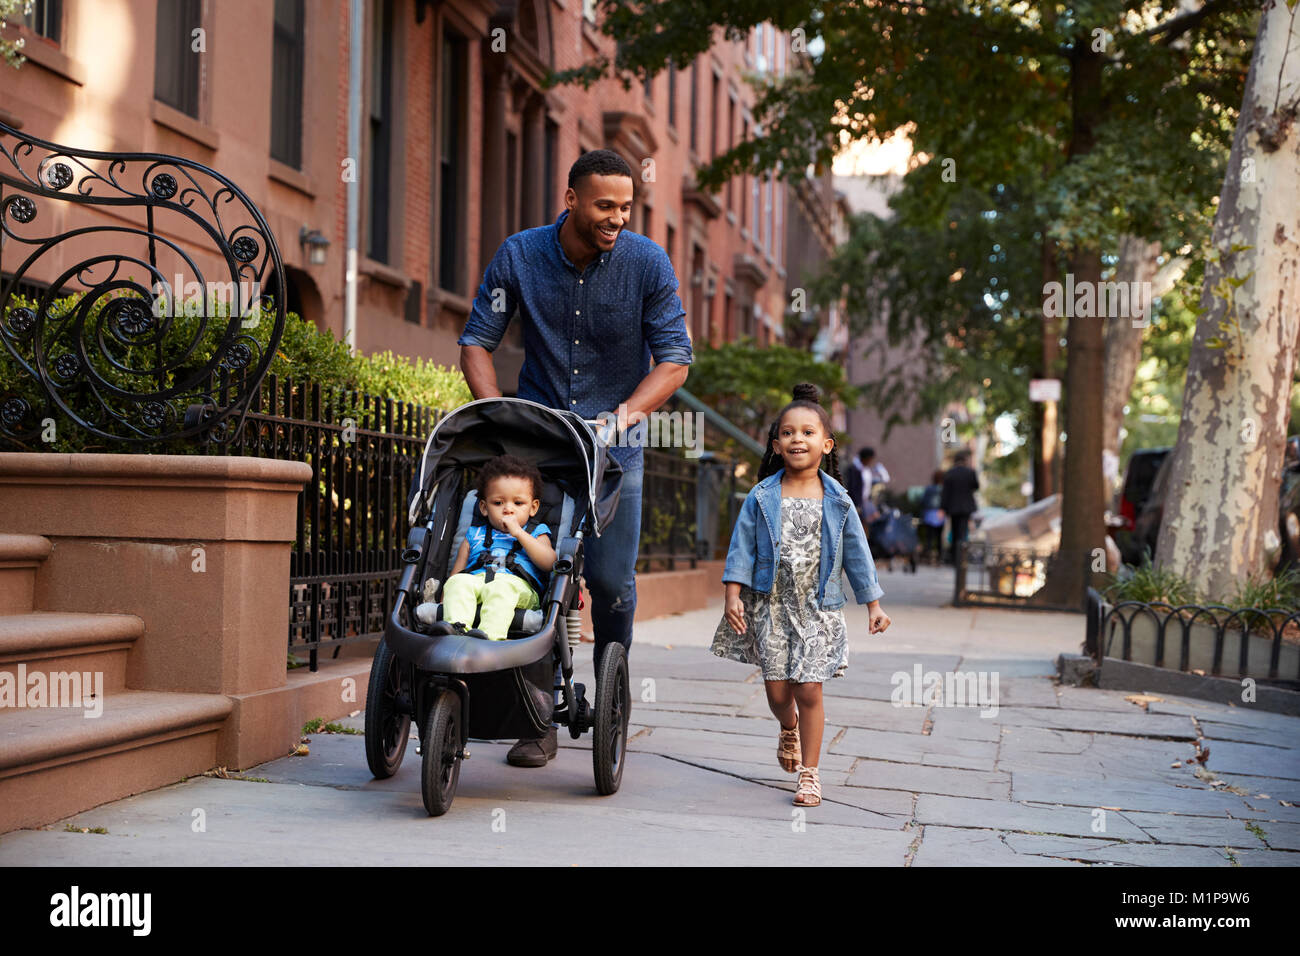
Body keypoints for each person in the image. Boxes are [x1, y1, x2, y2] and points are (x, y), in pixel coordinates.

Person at [457, 149, 692, 766]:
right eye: (604, 205)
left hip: (616, 454)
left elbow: (674, 360)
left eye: (625, 207)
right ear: (571, 200)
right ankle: (538, 721)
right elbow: (477, 343)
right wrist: (496, 415)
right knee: (535, 574)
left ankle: (611, 692)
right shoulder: (520, 256)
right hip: (539, 447)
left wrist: (620, 419)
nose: (617, 217)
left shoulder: (647, 264)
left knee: (611, 584)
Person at [710, 383, 891, 808]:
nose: (798, 440)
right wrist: (732, 595)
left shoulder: (839, 501)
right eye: (788, 433)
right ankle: (786, 727)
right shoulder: (761, 496)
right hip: (770, 607)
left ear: (826, 445)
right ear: (776, 445)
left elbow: (858, 555)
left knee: (809, 690)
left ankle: (810, 774)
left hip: (818, 609)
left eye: (808, 432)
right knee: (778, 693)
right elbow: (742, 546)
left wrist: (874, 604)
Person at [441, 455, 556, 641]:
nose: (508, 509)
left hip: (517, 586)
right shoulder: (473, 534)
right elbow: (457, 573)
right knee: (457, 583)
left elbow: (550, 562)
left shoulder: (536, 532)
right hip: (477, 581)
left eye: (518, 503)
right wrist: (444, 599)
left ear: (533, 508)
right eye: (498, 503)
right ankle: (456, 630)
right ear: (484, 508)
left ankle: (489, 638)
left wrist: (519, 533)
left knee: (501, 587)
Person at [941, 450, 980, 565]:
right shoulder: (970, 472)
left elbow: (945, 492)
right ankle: (961, 558)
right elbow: (976, 486)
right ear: (965, 461)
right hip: (966, 507)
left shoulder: (950, 473)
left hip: (953, 507)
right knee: (963, 532)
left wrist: (943, 507)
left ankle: (954, 558)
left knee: (955, 531)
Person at [919, 470, 946, 566]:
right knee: (939, 538)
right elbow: (946, 502)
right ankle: (940, 559)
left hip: (929, 514)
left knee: (929, 538)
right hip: (940, 514)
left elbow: (922, 501)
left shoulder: (929, 488)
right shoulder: (944, 489)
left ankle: (928, 557)